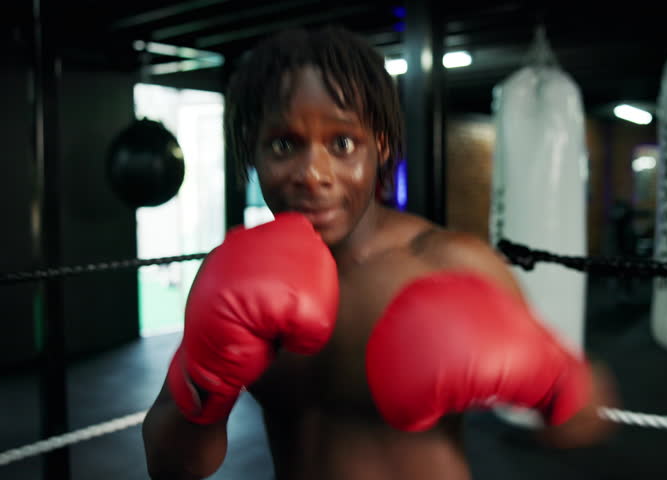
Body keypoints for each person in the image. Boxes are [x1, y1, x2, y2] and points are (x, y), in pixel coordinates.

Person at [142, 26, 618, 480]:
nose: (313, 173)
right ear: (255, 151)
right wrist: (204, 382)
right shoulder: (231, 278)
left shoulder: (445, 264)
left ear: (380, 148)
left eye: (343, 143)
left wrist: (553, 378)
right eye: (284, 144)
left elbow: (582, 421)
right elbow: (171, 467)